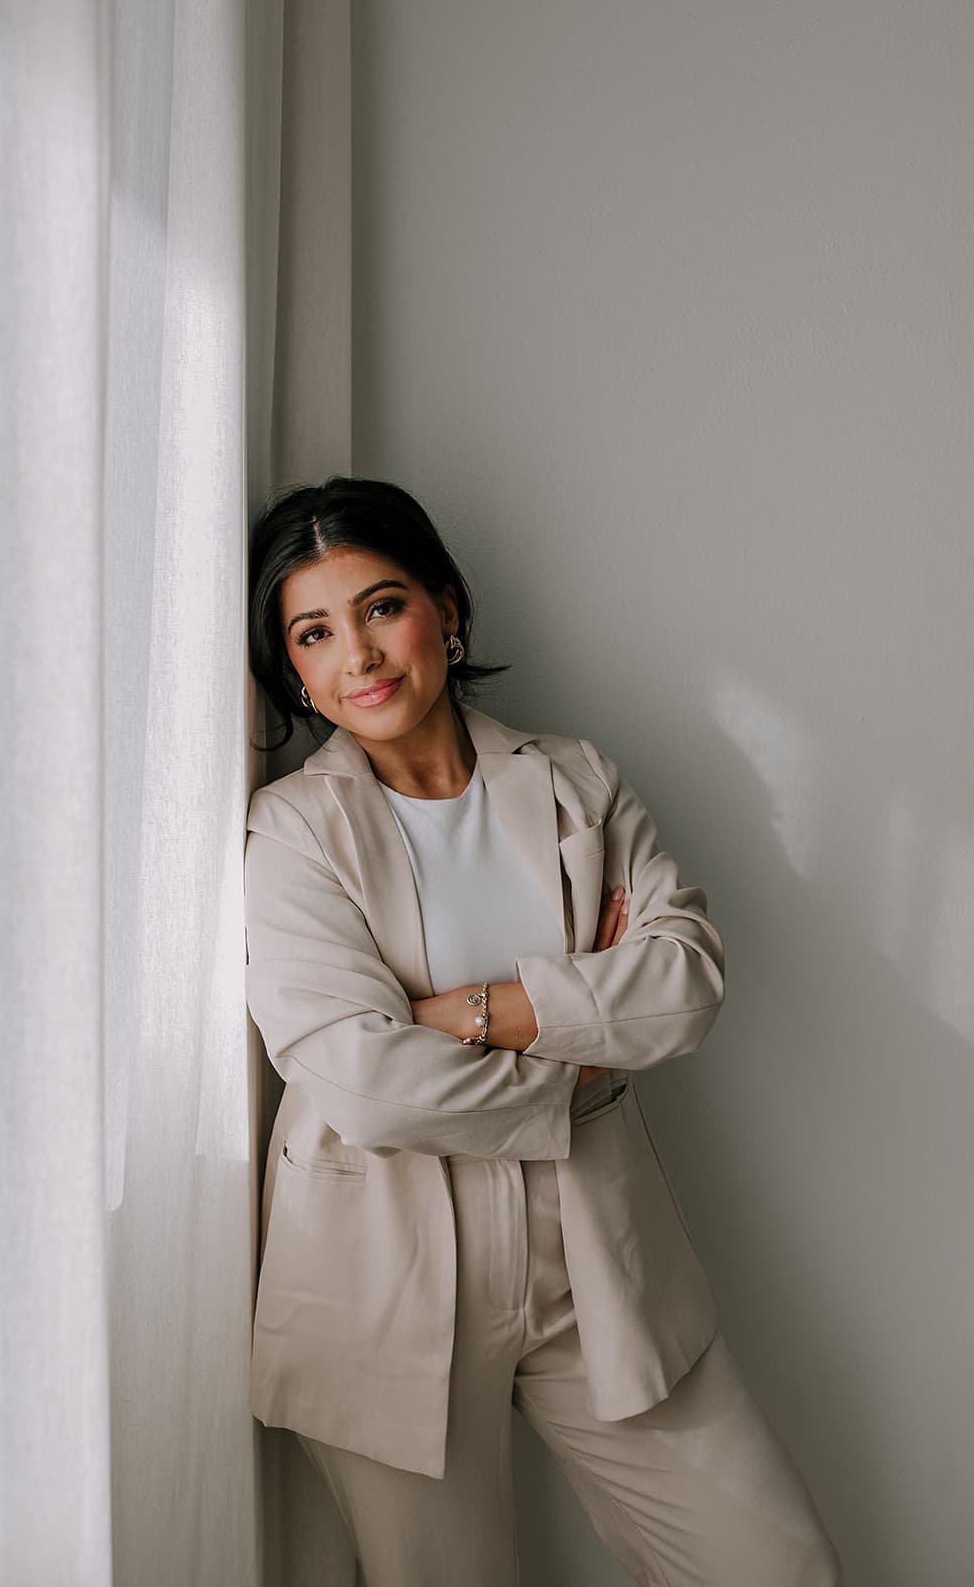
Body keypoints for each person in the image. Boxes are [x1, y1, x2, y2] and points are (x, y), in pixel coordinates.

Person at [244, 476, 843, 1586]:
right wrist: (576, 1033)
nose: (360, 656)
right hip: (383, 1262)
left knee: (773, 1562)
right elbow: (363, 1082)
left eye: (381, 607)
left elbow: (684, 980)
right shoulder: (290, 833)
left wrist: (464, 1014)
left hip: (596, 1256)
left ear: (446, 609)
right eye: (314, 633)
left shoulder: (576, 779)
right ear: (295, 671)